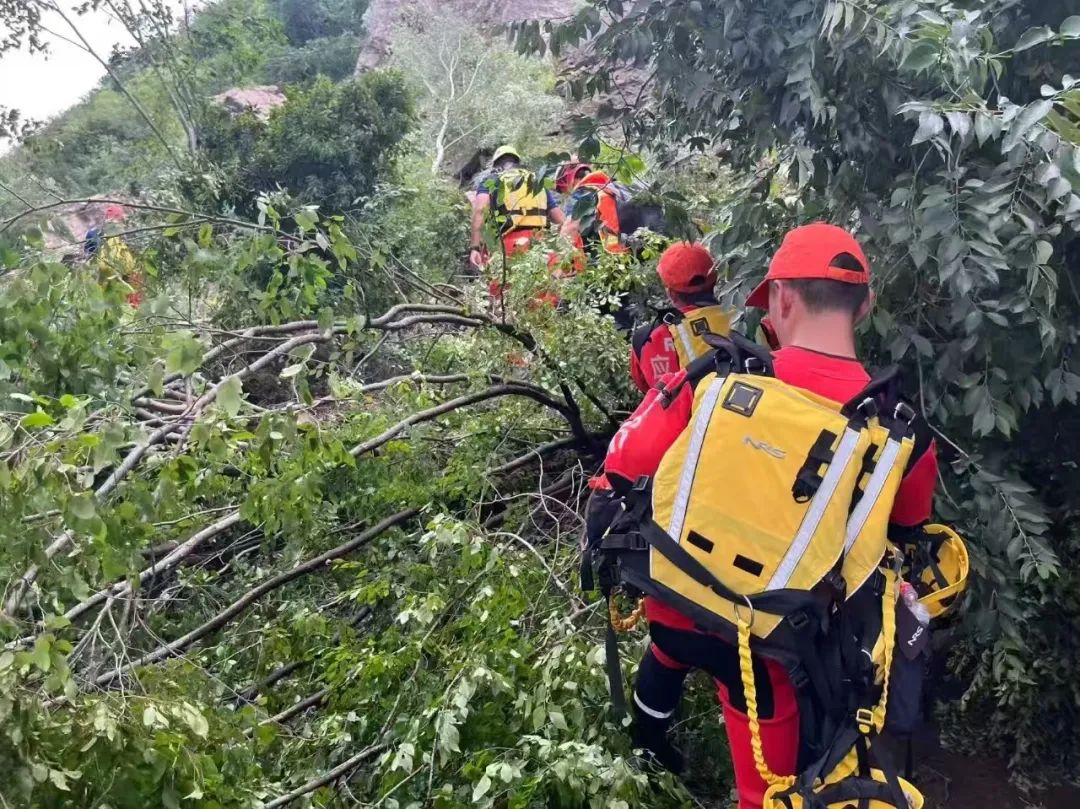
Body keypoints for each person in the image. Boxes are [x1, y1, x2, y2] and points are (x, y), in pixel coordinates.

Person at [592, 223, 939, 809]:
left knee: (668, 653)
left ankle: (647, 753)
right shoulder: (900, 432)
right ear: (865, 305)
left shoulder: (713, 378)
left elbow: (621, 466)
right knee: (766, 792)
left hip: (674, 602)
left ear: (780, 297)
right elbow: (903, 533)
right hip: (772, 649)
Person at [629, 242, 731, 393]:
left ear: (671, 293)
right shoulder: (746, 316)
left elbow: (647, 390)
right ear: (715, 279)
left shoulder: (647, 339)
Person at [469, 145, 565, 268]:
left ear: (496, 165)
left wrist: (475, 248)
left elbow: (480, 210)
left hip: (509, 245)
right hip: (541, 245)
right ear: (517, 163)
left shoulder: (492, 180)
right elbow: (560, 219)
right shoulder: (536, 181)